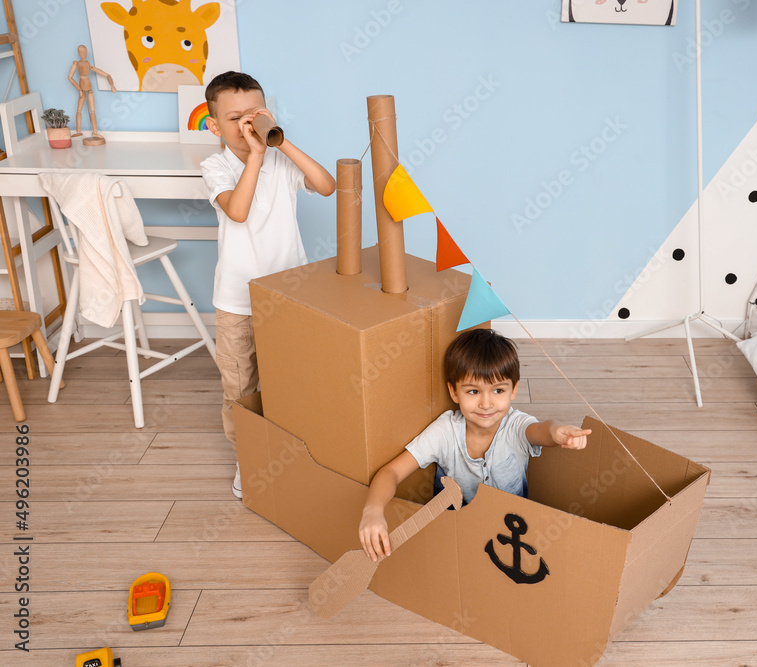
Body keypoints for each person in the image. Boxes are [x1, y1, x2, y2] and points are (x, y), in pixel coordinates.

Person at [200, 71, 337, 499]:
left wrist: (279, 141)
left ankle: (293, 454)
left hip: (288, 297)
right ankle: (250, 460)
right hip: (237, 302)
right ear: (214, 124)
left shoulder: (280, 158)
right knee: (240, 389)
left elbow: (327, 186)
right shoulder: (215, 165)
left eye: (253, 114)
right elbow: (237, 211)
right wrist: (256, 154)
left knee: (290, 380)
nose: (245, 125)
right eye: (234, 117)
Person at [358, 328, 591, 562]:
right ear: (454, 392)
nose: (486, 403)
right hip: (454, 528)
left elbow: (541, 430)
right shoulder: (445, 432)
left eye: (498, 390)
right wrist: (373, 511)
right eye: (473, 391)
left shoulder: (515, 426)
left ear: (514, 390)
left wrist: (558, 432)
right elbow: (391, 472)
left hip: (511, 528)